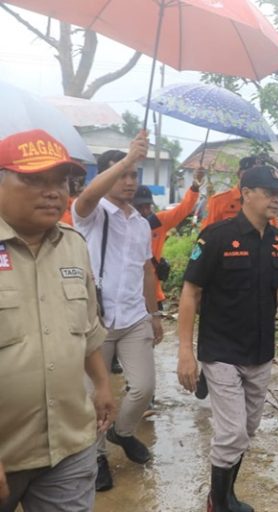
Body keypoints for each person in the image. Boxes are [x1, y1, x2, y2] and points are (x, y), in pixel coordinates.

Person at [0, 129, 115, 511]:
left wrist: (101, 383)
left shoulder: (73, 245)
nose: (53, 191)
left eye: (62, 181)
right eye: (34, 179)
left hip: (69, 445)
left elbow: (85, 328)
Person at [177, 165, 278, 512]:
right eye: (270, 191)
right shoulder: (216, 236)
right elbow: (190, 292)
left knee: (248, 428)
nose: (277, 199)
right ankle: (219, 505)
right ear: (246, 193)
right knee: (231, 434)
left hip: (260, 351)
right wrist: (186, 352)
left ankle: (224, 495)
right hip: (222, 351)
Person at [72, 131, 164, 492]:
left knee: (143, 387)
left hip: (134, 318)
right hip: (96, 321)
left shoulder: (141, 223)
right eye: (122, 174)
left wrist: (154, 315)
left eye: (133, 175)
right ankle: (96, 456)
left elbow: (146, 270)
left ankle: (122, 433)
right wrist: (127, 159)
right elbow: (87, 195)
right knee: (96, 394)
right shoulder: (92, 215)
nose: (129, 181)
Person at [133, 167, 204, 307]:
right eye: (140, 207)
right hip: (128, 293)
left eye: (148, 206)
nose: (145, 211)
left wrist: (195, 187)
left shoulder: (158, 221)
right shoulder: (121, 225)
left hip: (152, 293)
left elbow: (183, 209)